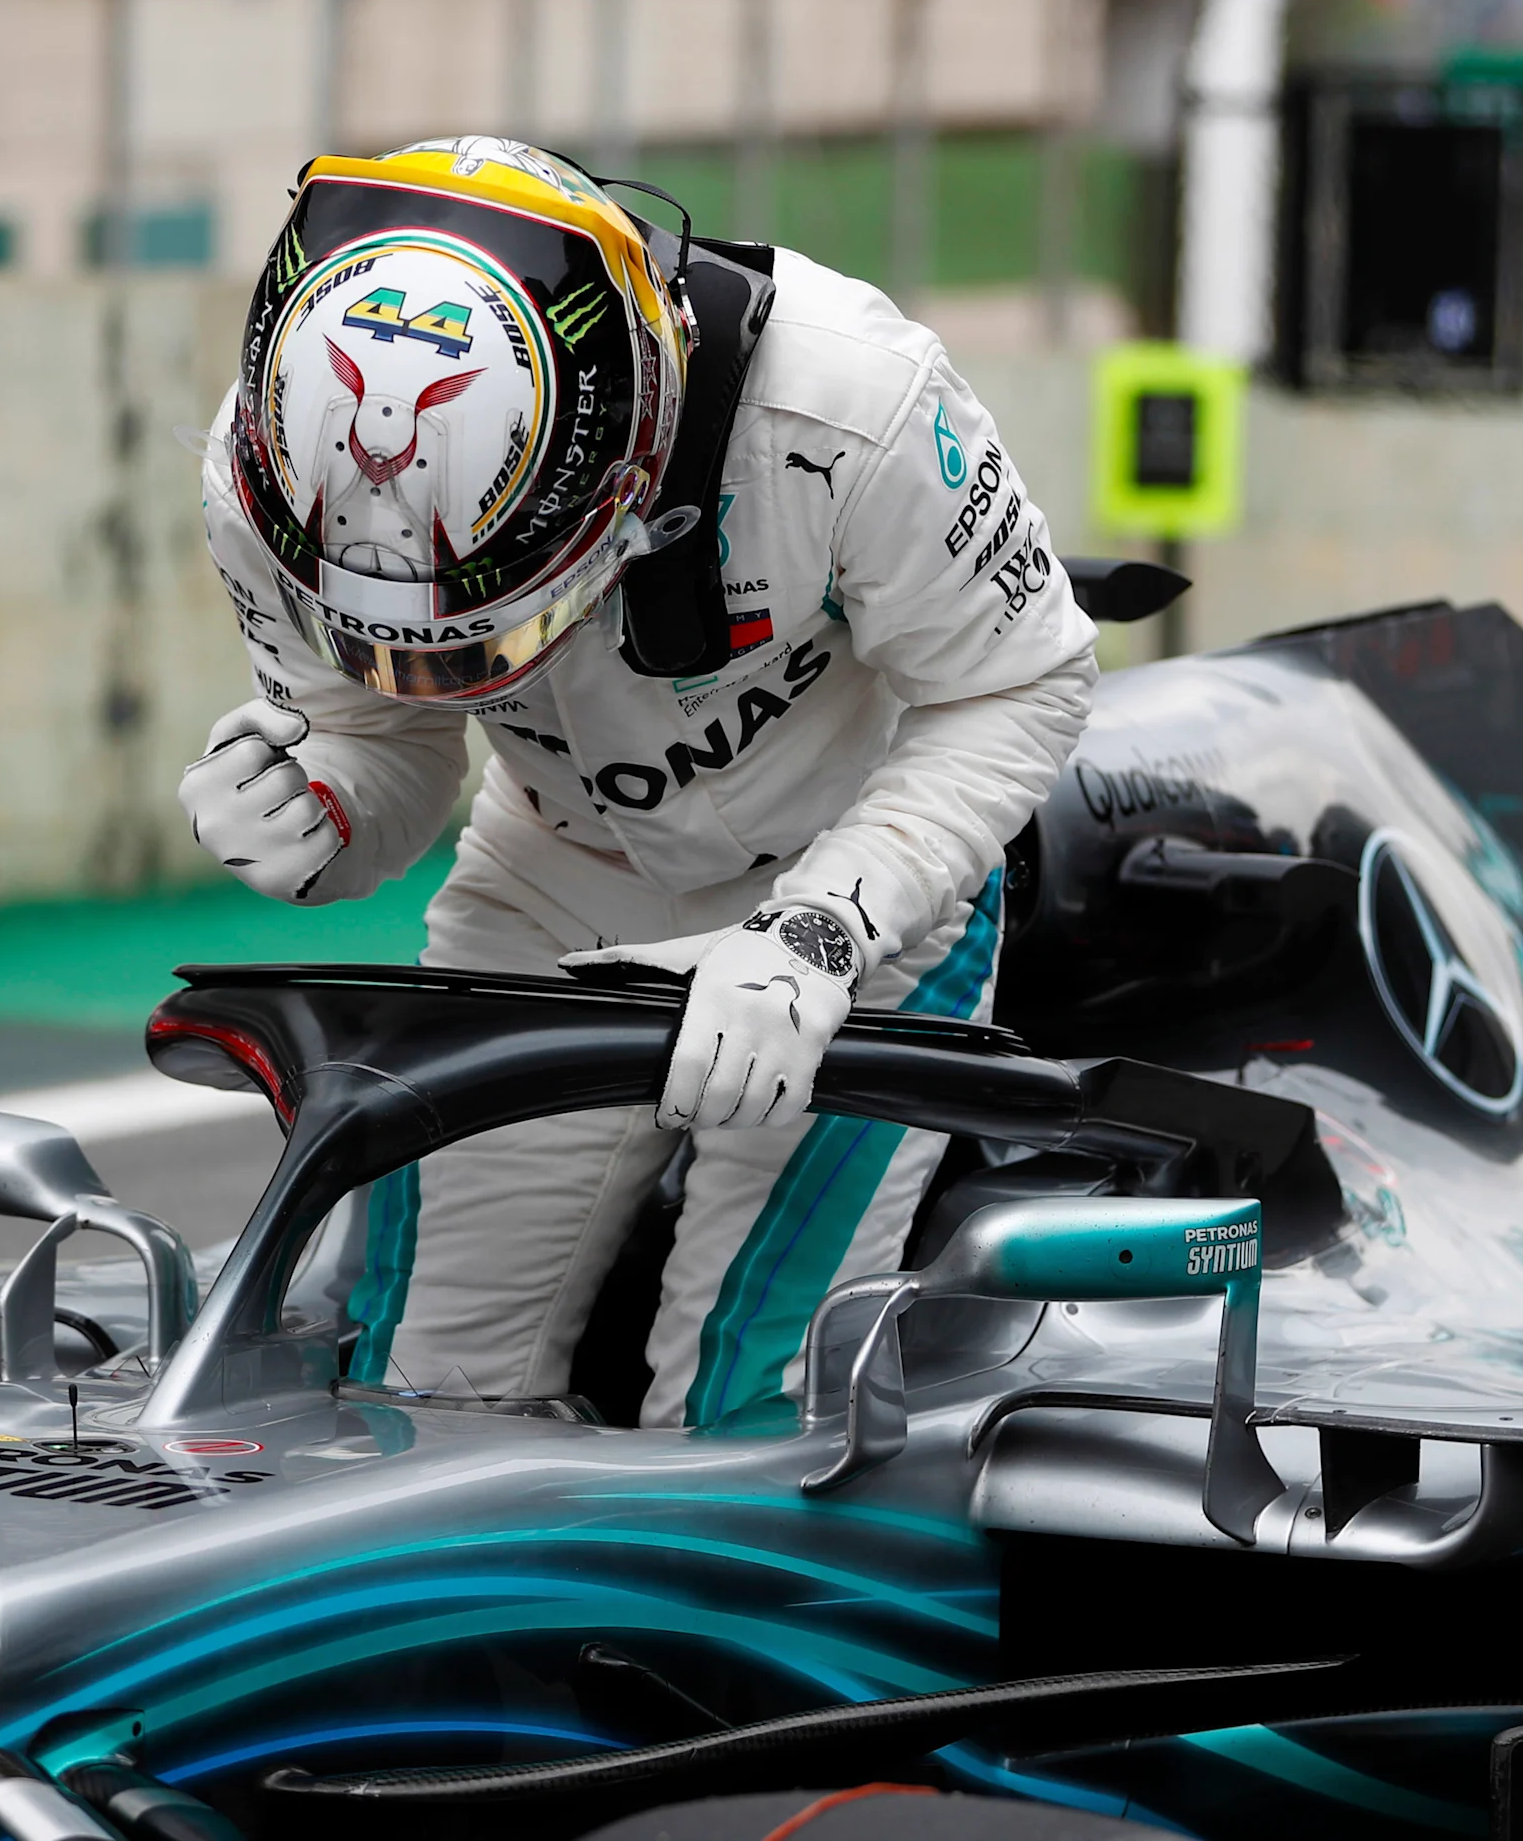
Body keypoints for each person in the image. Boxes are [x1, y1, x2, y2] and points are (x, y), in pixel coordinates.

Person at [177, 135, 1094, 1428]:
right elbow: (391, 741)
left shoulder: (856, 405)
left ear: (634, 459)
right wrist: (326, 802)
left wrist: (824, 928)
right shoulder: (260, 470)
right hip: (548, 875)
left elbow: (1022, 683)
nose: (449, 656)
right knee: (419, 1389)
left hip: (858, 902)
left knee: (747, 1407)